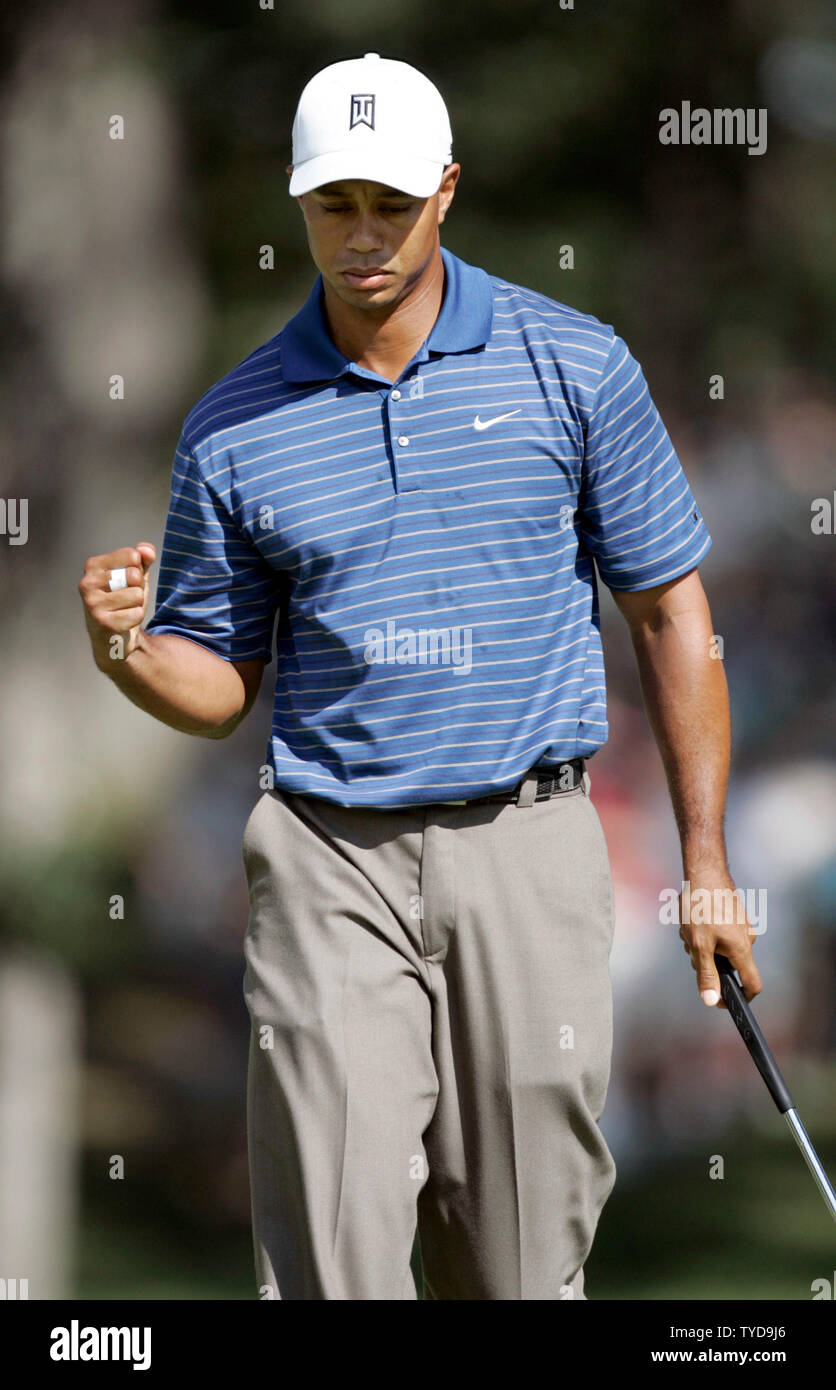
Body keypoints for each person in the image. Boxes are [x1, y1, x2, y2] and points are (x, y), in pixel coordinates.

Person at [79, 52, 762, 1300]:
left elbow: (670, 611)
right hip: (326, 852)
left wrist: (705, 866)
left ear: (445, 190)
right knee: (330, 1250)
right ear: (301, 205)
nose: (362, 236)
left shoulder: (574, 365)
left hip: (528, 838)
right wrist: (126, 646)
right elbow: (220, 682)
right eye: (334, 205)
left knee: (514, 1258)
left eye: (389, 204)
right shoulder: (234, 424)